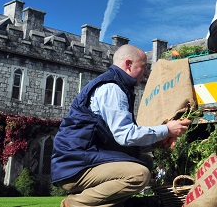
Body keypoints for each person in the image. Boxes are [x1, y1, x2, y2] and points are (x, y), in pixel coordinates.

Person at [51, 44, 191, 207]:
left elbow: (116, 141)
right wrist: (167, 129)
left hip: (82, 160)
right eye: (143, 66)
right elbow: (125, 135)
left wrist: (157, 143)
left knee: (144, 161)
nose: (145, 73)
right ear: (128, 64)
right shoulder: (112, 88)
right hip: (75, 165)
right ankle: (75, 204)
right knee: (139, 174)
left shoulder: (120, 87)